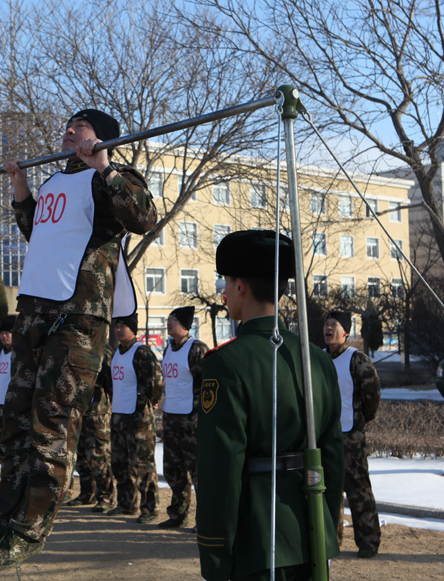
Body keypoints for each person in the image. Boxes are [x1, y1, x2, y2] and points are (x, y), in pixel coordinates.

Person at [0, 108, 156, 571]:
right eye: (68, 127)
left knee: (52, 421)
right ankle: (5, 517)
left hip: (78, 318)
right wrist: (21, 186)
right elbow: (38, 234)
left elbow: (143, 216)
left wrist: (104, 165)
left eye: (80, 128)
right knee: (14, 421)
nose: (69, 132)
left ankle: (31, 527)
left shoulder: (109, 177)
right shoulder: (54, 182)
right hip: (35, 312)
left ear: (101, 139)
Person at [196, 230, 344, 581]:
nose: (224, 292)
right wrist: (325, 520)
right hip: (311, 532)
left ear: (241, 286)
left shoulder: (226, 362)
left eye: (227, 282)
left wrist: (215, 553)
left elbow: (221, 468)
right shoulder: (317, 359)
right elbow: (334, 454)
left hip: (258, 540)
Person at [323, 310, 382, 559]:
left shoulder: (356, 359)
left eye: (334, 325)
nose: (328, 329)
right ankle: (330, 541)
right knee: (327, 491)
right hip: (325, 436)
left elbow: (372, 396)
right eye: (326, 325)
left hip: (350, 435)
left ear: (346, 331)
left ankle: (368, 541)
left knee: (358, 490)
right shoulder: (317, 358)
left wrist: (359, 421)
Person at [107, 313, 163, 523]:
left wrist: (151, 400)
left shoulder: (142, 352)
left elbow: (156, 382)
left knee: (143, 465)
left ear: (133, 329)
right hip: (118, 416)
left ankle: (150, 509)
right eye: (117, 326)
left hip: (138, 418)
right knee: (120, 463)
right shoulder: (117, 353)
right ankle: (126, 503)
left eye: (123, 326)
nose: (119, 330)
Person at [158, 305, 207, 528]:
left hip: (192, 422)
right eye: (168, 320)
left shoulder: (196, 349)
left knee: (198, 474)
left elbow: (208, 383)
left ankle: (204, 521)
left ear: (185, 325)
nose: (169, 324)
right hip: (171, 420)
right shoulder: (168, 348)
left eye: (173, 320)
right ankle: (177, 515)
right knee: (173, 471)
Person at [65, 343, 116, 512]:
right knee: (80, 453)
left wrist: (110, 404)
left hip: (97, 409)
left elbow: (111, 381)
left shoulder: (103, 349)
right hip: (77, 407)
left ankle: (107, 497)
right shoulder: (74, 346)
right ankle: (87, 493)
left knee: (97, 454)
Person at [0, 316, 15, 467]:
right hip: (1, 405)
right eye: (2, 333)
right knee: (0, 443)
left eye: (8, 333)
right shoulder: (2, 352)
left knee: (12, 444)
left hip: (13, 406)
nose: (4, 336)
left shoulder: (19, 354)